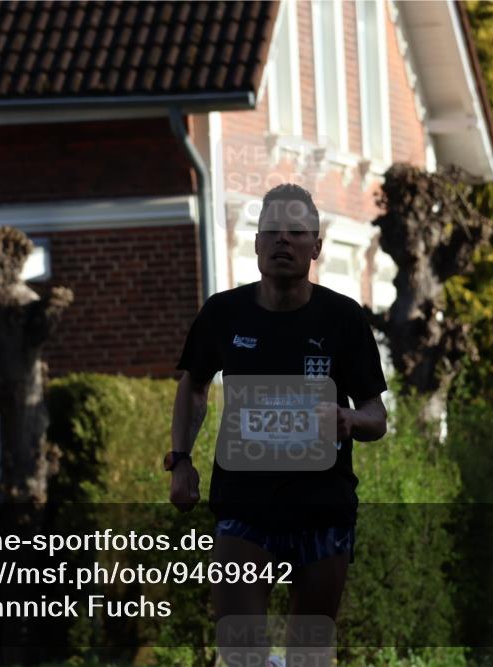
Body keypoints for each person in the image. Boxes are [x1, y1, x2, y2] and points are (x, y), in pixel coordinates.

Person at [168, 183, 388, 665]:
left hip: (322, 510)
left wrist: (347, 418)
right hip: (245, 508)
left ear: (316, 246)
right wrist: (181, 460)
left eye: (296, 231)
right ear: (256, 243)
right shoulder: (223, 314)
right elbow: (194, 386)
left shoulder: (342, 318)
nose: (282, 240)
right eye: (272, 230)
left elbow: (377, 417)